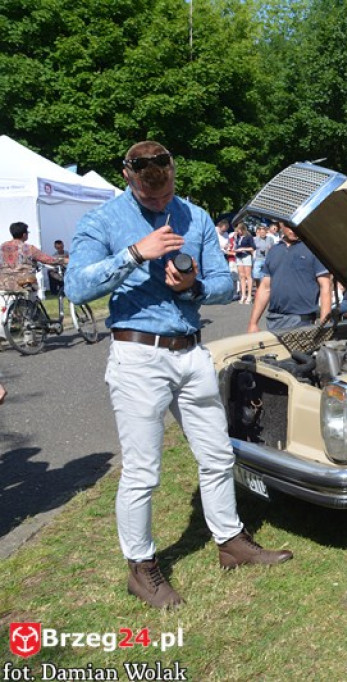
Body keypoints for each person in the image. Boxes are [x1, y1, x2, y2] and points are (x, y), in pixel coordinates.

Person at [64, 140, 292, 609]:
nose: (159, 199)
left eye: (165, 189)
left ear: (173, 172)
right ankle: (141, 567)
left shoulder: (196, 217)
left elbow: (227, 285)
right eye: (149, 195)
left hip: (190, 353)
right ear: (127, 175)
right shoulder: (104, 221)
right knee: (143, 471)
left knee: (216, 454)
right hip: (138, 355)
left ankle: (229, 542)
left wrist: (195, 287)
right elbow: (76, 285)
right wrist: (134, 253)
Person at [247, 222, 332, 332]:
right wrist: (253, 323)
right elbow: (265, 288)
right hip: (274, 320)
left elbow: (326, 286)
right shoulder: (274, 250)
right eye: (289, 226)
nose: (293, 230)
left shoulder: (313, 249)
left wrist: (324, 323)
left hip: (303, 321)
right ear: (281, 225)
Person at [0, 222, 63, 292]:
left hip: (3, 284)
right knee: (32, 294)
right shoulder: (28, 248)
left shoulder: (2, 247)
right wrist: (66, 260)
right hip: (24, 284)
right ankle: (32, 301)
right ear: (24, 235)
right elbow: (48, 260)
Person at [233, 223, 254, 304]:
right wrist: (235, 240)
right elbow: (236, 246)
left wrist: (243, 248)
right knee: (241, 276)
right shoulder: (237, 237)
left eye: (239, 230)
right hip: (239, 256)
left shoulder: (249, 237)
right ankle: (243, 295)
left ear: (243, 229)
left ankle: (249, 295)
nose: (238, 232)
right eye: (237, 230)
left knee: (248, 276)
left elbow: (253, 247)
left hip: (246, 256)